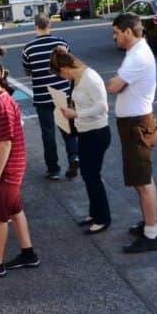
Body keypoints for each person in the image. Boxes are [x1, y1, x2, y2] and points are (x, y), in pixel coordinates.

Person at [0, 60, 40, 276]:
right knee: (15, 210)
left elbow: (6, 141)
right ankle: (28, 254)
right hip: (5, 169)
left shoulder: (2, 104)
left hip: (6, 170)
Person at [108, 12, 157, 253]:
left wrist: (103, 81)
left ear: (129, 31)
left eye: (117, 33)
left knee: (143, 180)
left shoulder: (137, 56)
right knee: (141, 178)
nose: (115, 38)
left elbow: (113, 86)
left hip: (137, 125)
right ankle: (149, 225)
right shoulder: (136, 52)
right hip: (134, 123)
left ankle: (152, 234)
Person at [51, 49, 112, 234]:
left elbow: (103, 107)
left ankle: (103, 218)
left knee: (92, 176)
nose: (62, 78)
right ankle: (95, 213)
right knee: (87, 175)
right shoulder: (78, 79)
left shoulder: (90, 77)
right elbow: (84, 101)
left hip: (97, 133)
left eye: (60, 74)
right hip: (85, 132)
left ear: (65, 68)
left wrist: (76, 113)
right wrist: (71, 107)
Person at [22, 13, 79, 180]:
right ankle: (74, 156)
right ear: (50, 25)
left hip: (42, 96)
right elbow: (70, 63)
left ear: (35, 26)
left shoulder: (28, 48)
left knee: (48, 134)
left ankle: (53, 169)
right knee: (66, 129)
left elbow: (27, 71)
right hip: (61, 93)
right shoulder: (61, 43)